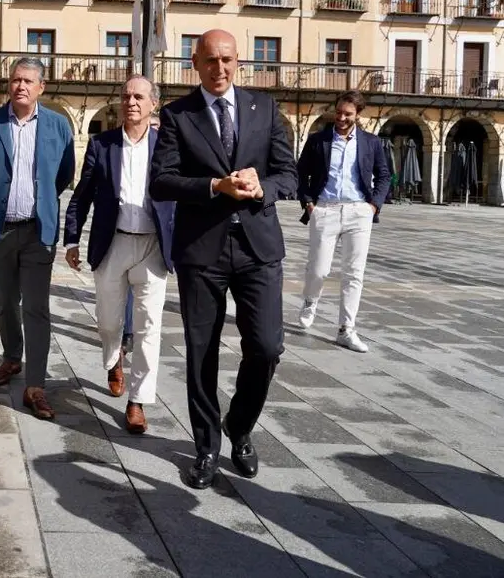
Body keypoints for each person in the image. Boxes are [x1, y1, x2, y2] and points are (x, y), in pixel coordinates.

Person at [149, 29, 296, 490]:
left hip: (258, 248)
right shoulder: (177, 115)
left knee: (268, 347)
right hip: (203, 250)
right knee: (201, 354)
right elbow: (162, 181)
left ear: (239, 61)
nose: (220, 69)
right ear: (195, 62)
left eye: (228, 60)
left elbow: (288, 173)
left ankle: (240, 425)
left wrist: (261, 187)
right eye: (210, 60)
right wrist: (215, 186)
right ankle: (207, 445)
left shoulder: (265, 108)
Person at [0, 57, 75, 420]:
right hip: (1, 228)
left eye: (28, 81)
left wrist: (40, 201)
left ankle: (36, 385)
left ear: (41, 87)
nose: (21, 86)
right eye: (15, 80)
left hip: (37, 231)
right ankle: (12, 357)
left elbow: (63, 176)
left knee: (37, 308)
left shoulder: (59, 127)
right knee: (5, 300)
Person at [63, 76, 174, 433]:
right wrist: (71, 240)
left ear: (153, 104)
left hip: (153, 247)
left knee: (149, 326)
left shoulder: (167, 147)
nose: (131, 102)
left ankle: (138, 400)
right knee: (109, 321)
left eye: (139, 96)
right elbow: (82, 195)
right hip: (112, 243)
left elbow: (181, 200)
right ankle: (114, 359)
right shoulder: (102, 144)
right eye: (126, 96)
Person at [296, 89, 391, 353]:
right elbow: (301, 172)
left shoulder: (371, 143)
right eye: (338, 112)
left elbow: (384, 176)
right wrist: (308, 202)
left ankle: (346, 330)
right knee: (318, 269)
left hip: (359, 211)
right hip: (324, 209)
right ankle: (310, 301)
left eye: (348, 114)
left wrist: (374, 206)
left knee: (354, 274)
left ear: (358, 115)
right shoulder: (318, 140)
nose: (341, 118)